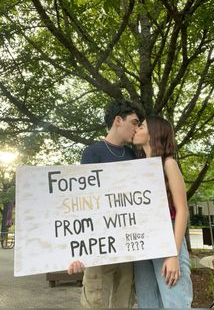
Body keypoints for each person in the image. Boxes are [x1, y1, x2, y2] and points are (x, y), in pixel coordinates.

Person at [67, 99, 143, 308]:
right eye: (134, 122)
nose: (137, 128)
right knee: (95, 301)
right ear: (118, 120)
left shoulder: (132, 155)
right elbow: (82, 203)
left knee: (123, 301)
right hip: (98, 246)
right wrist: (76, 250)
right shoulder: (93, 152)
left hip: (127, 245)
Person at [132, 115, 193, 308]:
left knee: (176, 302)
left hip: (167, 237)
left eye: (141, 126)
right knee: (147, 302)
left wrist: (173, 254)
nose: (136, 129)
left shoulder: (168, 164)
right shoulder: (138, 168)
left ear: (154, 133)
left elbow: (183, 210)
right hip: (143, 243)